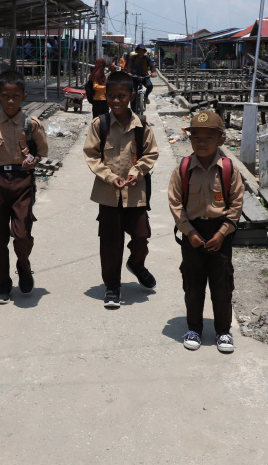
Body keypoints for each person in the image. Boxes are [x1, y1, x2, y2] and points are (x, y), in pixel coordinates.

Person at [0, 70, 48, 304]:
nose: (10, 100)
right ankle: (3, 282)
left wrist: (32, 160)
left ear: (24, 97)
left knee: (22, 233)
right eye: (5, 96)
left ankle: (23, 266)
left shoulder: (31, 124)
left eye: (15, 96)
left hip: (22, 181)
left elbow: (40, 152)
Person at [168, 111, 244, 353]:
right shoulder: (184, 168)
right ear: (190, 139)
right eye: (196, 137)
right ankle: (194, 329)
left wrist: (222, 232)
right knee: (193, 284)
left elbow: (236, 204)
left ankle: (223, 331)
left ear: (221, 140)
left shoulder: (229, 169)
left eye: (208, 138)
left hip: (220, 232)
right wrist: (188, 231)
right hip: (192, 233)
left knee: (222, 284)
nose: (201, 143)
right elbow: (175, 203)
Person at [83, 71, 159, 309]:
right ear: (106, 97)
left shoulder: (142, 125)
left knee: (141, 236)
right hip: (108, 195)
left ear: (131, 96)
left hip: (135, 194)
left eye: (121, 96)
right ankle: (112, 287)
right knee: (110, 243)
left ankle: (137, 264)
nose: (116, 101)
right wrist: (109, 176)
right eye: (112, 96)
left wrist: (137, 173)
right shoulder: (100, 124)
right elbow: (91, 155)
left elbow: (151, 153)